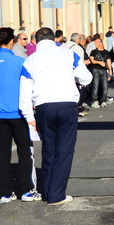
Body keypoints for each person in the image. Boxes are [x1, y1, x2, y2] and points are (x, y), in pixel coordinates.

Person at [19, 27, 92, 206]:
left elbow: (24, 92)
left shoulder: (30, 60)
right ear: (54, 39)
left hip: (43, 107)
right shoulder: (67, 54)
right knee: (65, 150)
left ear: (36, 41)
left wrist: (29, 116)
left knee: (48, 149)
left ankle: (47, 191)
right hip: (67, 104)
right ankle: (57, 194)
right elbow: (86, 77)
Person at [0, 28, 39, 203]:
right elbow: (28, 87)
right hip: (18, 113)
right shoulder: (19, 62)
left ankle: (5, 192)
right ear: (12, 42)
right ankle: (26, 190)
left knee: (2, 153)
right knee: (25, 152)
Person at [87, 34, 112, 108]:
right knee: (95, 86)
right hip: (95, 70)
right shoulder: (93, 52)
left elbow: (108, 61)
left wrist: (110, 70)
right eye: (95, 43)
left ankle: (103, 100)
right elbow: (92, 60)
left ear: (101, 43)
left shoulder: (106, 52)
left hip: (104, 71)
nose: (96, 44)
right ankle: (94, 101)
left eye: (97, 42)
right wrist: (99, 62)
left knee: (105, 86)